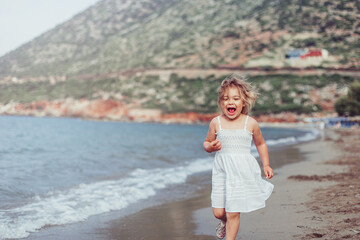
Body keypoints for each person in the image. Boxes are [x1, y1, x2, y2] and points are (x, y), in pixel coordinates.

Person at [203, 73, 274, 240]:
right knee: (218, 212)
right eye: (226, 99)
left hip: (241, 172)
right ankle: (224, 222)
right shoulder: (216, 122)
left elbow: (261, 144)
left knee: (233, 212)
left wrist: (266, 165)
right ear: (221, 102)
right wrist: (211, 147)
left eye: (235, 98)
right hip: (221, 171)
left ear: (243, 102)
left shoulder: (250, 123)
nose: (230, 102)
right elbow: (206, 143)